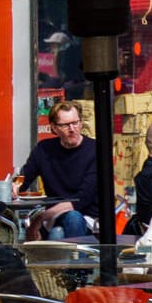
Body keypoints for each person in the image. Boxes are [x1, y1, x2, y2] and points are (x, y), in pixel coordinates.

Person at [16, 101, 100, 239]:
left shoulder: (95, 150)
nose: (72, 129)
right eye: (66, 125)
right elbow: (24, 177)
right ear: (54, 128)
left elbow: (80, 200)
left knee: (71, 220)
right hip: (54, 216)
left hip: (88, 219)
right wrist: (14, 185)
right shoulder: (44, 149)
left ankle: (78, 260)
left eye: (76, 123)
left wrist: (39, 219)